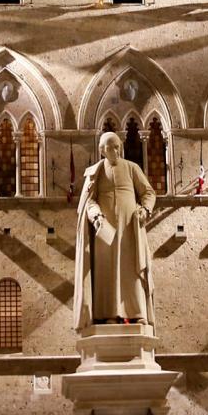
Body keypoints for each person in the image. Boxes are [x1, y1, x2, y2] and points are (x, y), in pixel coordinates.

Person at [73, 131, 157, 328]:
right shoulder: (96, 172)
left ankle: (138, 314)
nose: (116, 150)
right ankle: (108, 315)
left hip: (130, 227)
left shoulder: (131, 168)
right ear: (103, 150)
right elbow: (88, 201)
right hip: (105, 231)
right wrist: (96, 216)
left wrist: (145, 209)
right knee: (106, 271)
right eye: (111, 147)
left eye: (118, 146)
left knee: (132, 268)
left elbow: (148, 192)